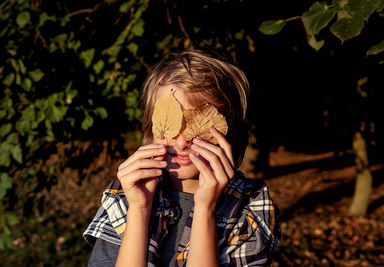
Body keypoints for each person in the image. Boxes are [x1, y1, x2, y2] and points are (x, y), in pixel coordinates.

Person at [83, 50, 280, 266]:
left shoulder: (249, 210)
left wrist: (206, 210)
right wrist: (139, 210)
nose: (180, 142)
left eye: (198, 128)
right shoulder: (125, 198)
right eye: (168, 123)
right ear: (151, 131)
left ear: (230, 136)